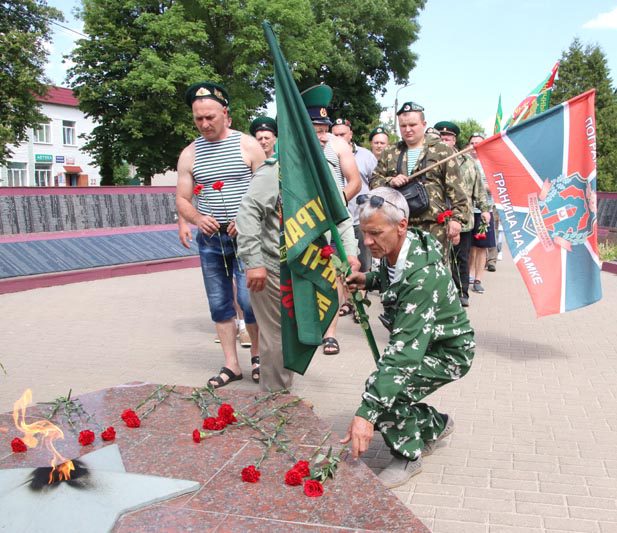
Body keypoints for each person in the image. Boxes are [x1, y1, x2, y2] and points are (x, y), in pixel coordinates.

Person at [342, 187, 475, 489]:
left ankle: (407, 456)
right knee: (385, 388)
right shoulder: (398, 248)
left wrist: (366, 415)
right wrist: (368, 279)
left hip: (447, 354)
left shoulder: (421, 278)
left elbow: (403, 357)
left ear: (401, 225)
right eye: (364, 233)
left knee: (383, 392)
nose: (367, 241)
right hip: (424, 343)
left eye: (375, 233)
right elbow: (391, 278)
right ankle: (435, 425)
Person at [175, 81, 264, 388]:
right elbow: (183, 199)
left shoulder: (248, 145)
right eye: (198, 118)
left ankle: (258, 358)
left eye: (210, 116)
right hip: (211, 240)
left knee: (248, 300)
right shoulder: (189, 153)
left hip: (248, 237)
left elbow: (269, 191)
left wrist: (248, 216)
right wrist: (197, 218)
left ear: (226, 114)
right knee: (219, 303)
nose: (204, 123)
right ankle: (231, 365)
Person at [301, 85, 362, 355]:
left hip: (338, 221)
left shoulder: (339, 145)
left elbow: (355, 182)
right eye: (316, 129)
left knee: (342, 271)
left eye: (324, 128)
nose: (322, 136)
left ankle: (331, 333)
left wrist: (338, 201)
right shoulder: (295, 148)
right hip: (307, 223)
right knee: (312, 276)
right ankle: (311, 326)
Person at [370, 101, 470, 253]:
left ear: (423, 124)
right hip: (398, 226)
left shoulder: (441, 151)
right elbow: (374, 181)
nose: (408, 130)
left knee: (433, 273)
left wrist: (457, 220)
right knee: (398, 273)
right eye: (403, 126)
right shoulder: (390, 152)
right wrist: (390, 181)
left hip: (433, 226)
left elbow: (457, 190)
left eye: (412, 125)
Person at [434, 121, 490, 307]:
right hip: (436, 219)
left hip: (462, 219)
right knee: (437, 258)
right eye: (441, 137)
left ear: (454, 139)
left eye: (447, 137)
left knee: (461, 258)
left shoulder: (468, 162)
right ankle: (438, 294)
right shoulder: (430, 159)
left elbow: (478, 189)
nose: (444, 140)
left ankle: (461, 292)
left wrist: (484, 209)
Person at [331, 118, 377, 318]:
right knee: (341, 263)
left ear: (350, 134)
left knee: (362, 263)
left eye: (343, 134)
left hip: (360, 218)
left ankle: (360, 306)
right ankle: (345, 302)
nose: (339, 137)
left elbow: (376, 184)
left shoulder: (366, 156)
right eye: (336, 134)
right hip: (337, 219)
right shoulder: (329, 152)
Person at [467, 133, 497, 294]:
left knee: (481, 247)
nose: (475, 146)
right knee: (469, 247)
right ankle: (469, 275)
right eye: (472, 143)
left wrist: (480, 188)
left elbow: (496, 187)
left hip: (484, 211)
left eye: (478, 143)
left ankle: (478, 279)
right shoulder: (464, 162)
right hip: (468, 211)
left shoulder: (490, 164)